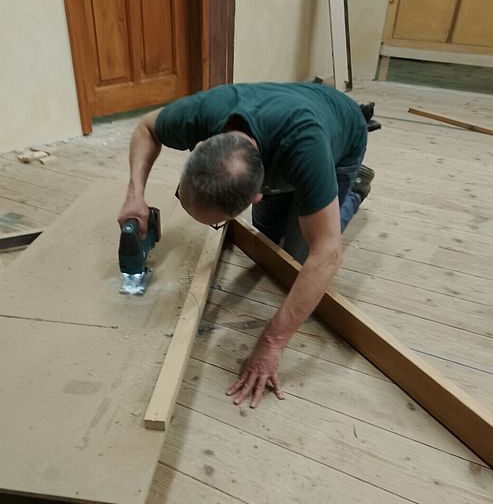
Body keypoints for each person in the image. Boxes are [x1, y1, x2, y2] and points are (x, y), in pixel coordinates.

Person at [118, 81, 375, 409]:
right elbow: (146, 127)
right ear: (200, 147)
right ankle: (310, 198)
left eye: (216, 222)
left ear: (257, 195)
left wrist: (272, 342)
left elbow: (327, 255)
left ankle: (355, 190)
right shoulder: (200, 114)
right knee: (267, 239)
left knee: (296, 261)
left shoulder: (306, 146)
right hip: (292, 119)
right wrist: (134, 194)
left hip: (341, 132)